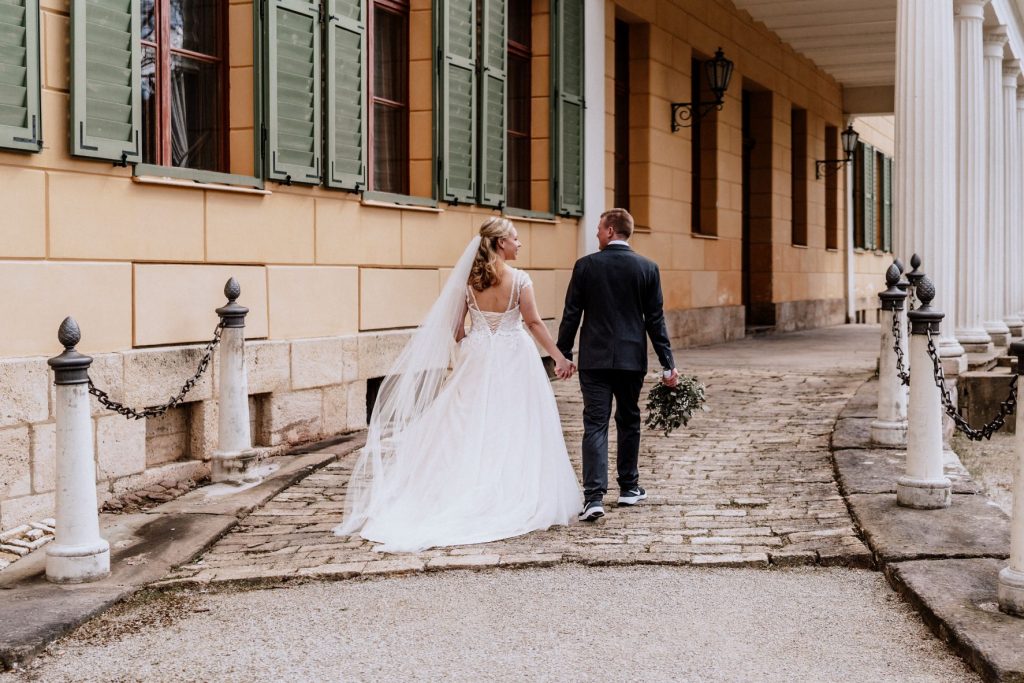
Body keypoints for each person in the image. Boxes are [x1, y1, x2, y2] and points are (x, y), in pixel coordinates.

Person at [334, 217, 582, 552]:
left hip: (478, 355)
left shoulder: (470, 280)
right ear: (500, 243)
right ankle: (506, 488)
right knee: (514, 419)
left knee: (467, 420)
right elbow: (534, 322)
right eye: (515, 238)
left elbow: (456, 328)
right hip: (513, 355)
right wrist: (558, 357)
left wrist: (471, 344)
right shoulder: (521, 280)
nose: (519, 244)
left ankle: (462, 482)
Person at [556, 208, 679, 522]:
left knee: (595, 424)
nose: (596, 233)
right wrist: (668, 364)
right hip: (630, 359)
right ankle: (629, 488)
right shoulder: (647, 268)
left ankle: (594, 498)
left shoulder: (585, 266)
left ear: (611, 231)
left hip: (595, 360)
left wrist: (563, 354)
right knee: (629, 419)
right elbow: (655, 321)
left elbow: (572, 314)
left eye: (599, 228)